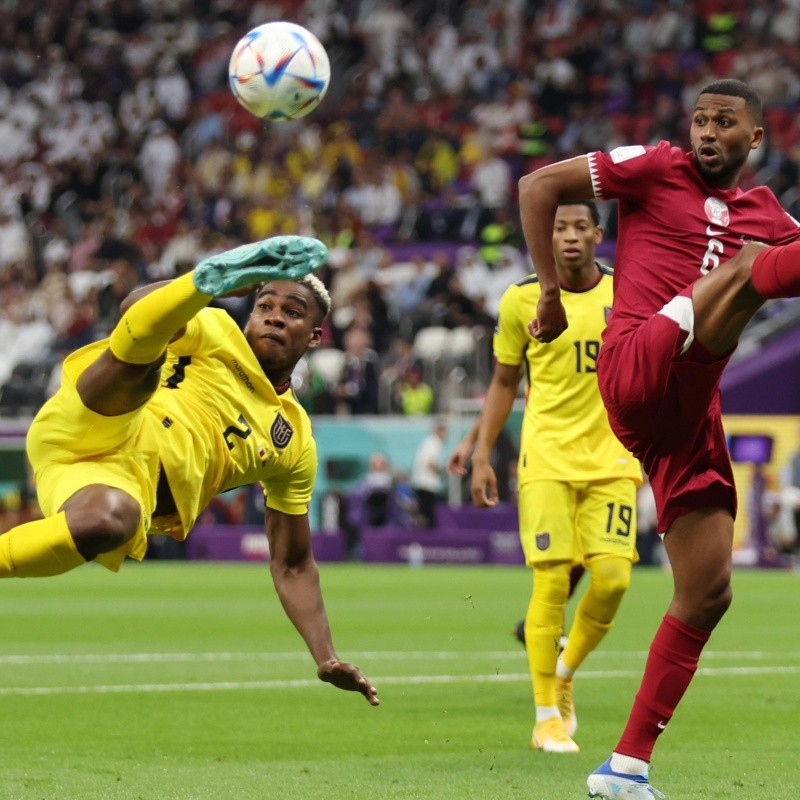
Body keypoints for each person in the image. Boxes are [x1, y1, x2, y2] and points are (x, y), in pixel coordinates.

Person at [518, 78, 800, 798]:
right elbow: (537, 185)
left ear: (756, 140)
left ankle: (625, 768)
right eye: (700, 119)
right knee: (742, 269)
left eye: (724, 123)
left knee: (708, 591)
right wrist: (549, 292)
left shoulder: (767, 215)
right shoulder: (654, 167)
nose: (707, 132)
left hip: (689, 406)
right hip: (637, 364)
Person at [0, 235, 379, 708]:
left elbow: (293, 562)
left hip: (108, 483)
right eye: (265, 304)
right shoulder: (215, 328)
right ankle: (204, 277)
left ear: (316, 335)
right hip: (103, 416)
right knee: (149, 353)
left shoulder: (295, 441)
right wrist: (204, 289)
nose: (275, 316)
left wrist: (325, 656)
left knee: (108, 521)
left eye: (293, 311)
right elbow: (134, 306)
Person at [453, 202, 641, 754]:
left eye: (581, 226)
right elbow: (504, 381)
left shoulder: (627, 294)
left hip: (612, 459)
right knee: (552, 581)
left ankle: (562, 673)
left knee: (612, 580)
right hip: (547, 459)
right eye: (559, 227)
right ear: (546, 234)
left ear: (598, 234)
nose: (570, 236)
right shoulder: (520, 299)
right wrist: (481, 452)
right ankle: (544, 718)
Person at [410, 419, 447, 528]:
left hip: (421, 482)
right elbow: (431, 464)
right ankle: (424, 538)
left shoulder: (428, 442)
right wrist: (444, 470)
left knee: (423, 512)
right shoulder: (434, 443)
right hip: (427, 484)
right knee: (426, 514)